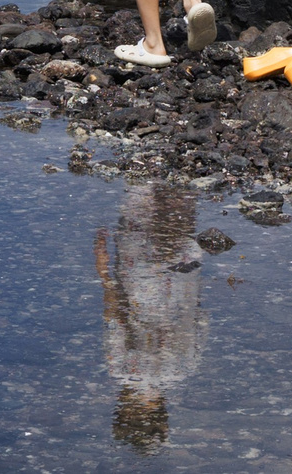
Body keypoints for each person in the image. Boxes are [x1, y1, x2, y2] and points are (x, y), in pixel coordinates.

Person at [93, 181, 206, 456]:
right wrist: (103, 270)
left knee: (181, 198)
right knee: (141, 189)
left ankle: (183, 158)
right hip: (138, 272)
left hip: (182, 269)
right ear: (122, 411)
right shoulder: (121, 370)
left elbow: (201, 317)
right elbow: (114, 313)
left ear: (162, 414)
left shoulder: (185, 369)